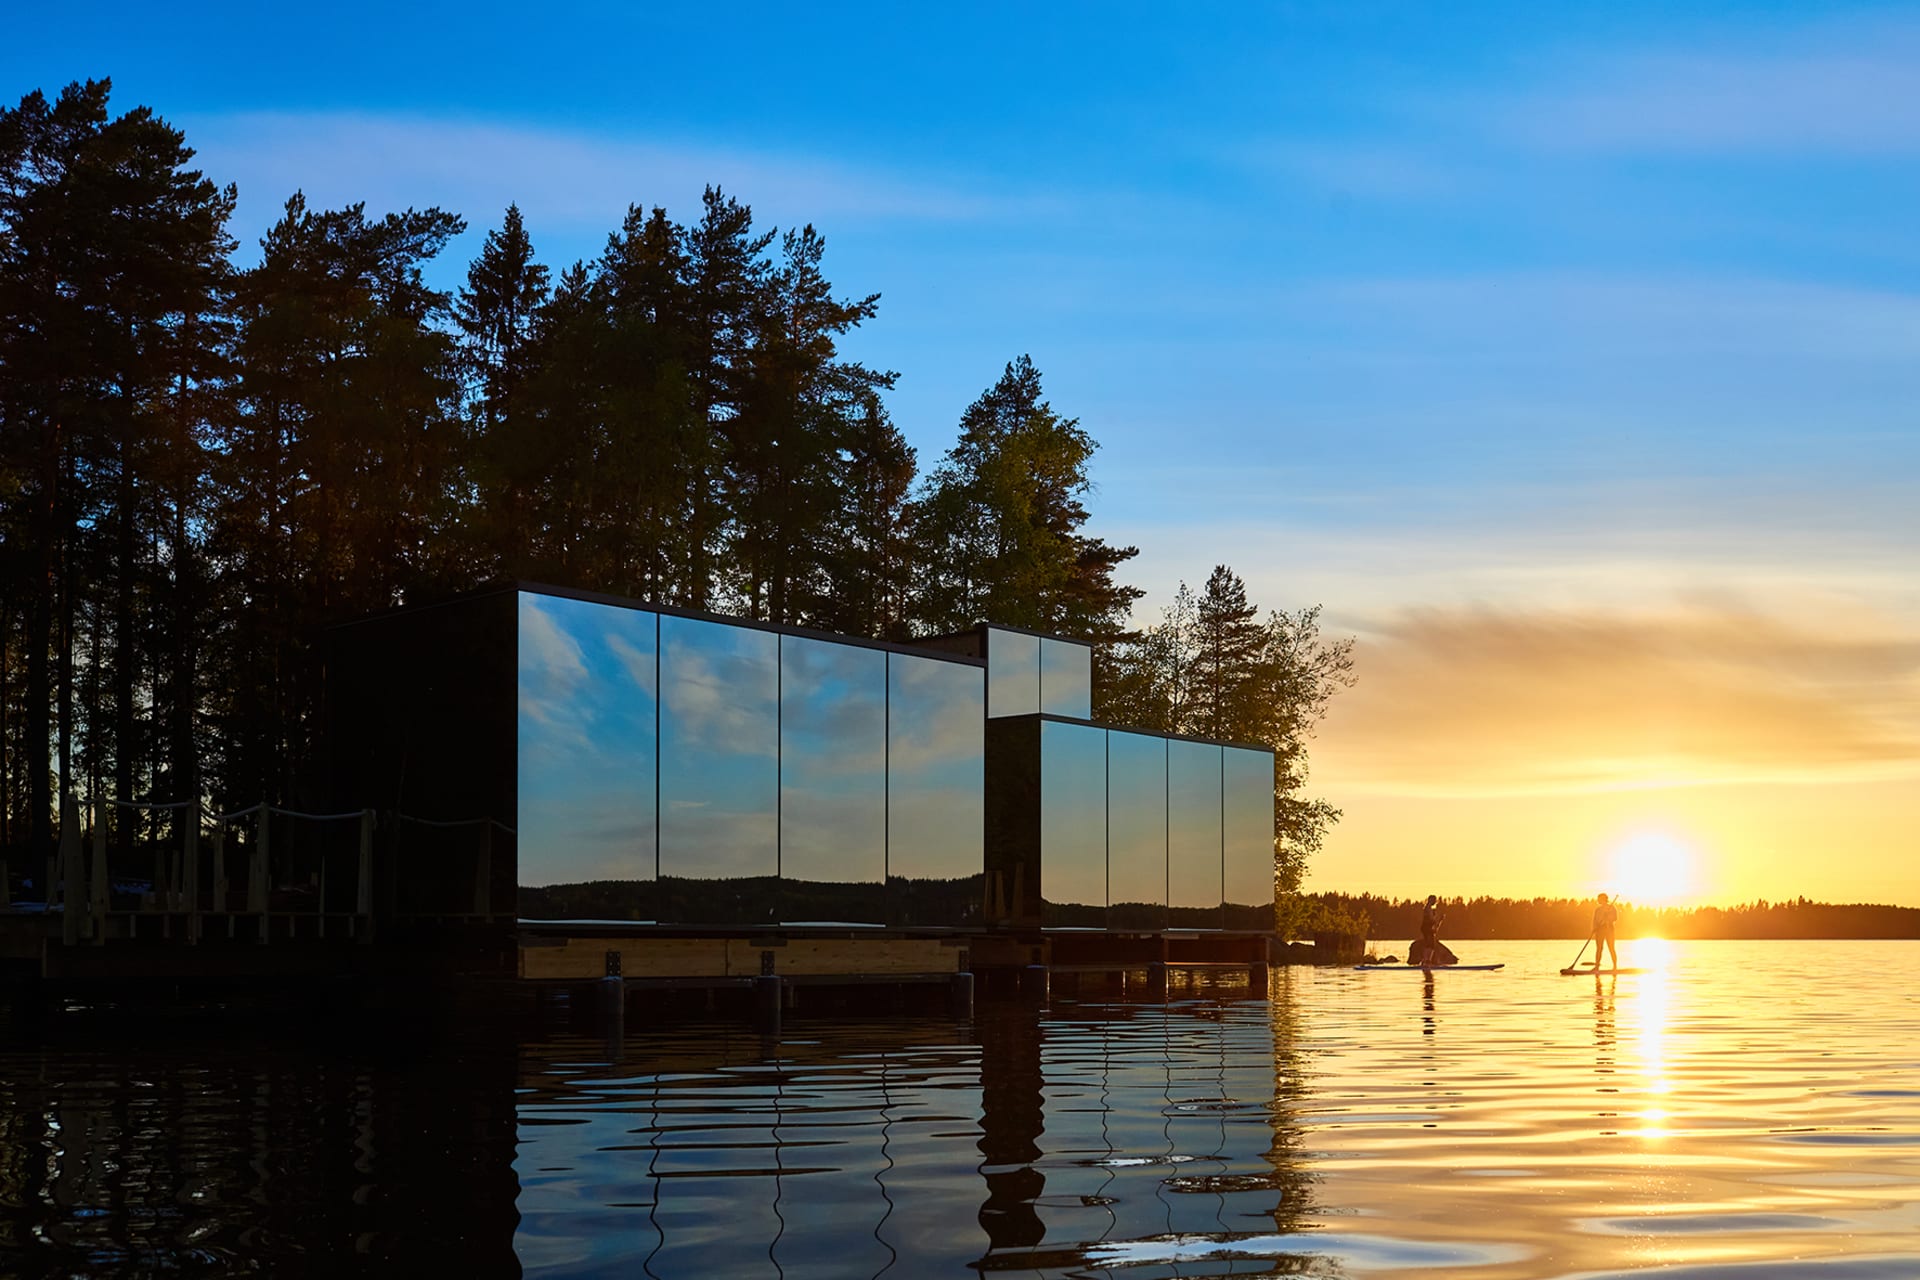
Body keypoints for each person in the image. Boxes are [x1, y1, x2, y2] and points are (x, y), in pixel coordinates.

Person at [1592, 892, 1619, 971]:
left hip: (1609, 929)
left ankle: (1614, 966)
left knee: (1611, 948)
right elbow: (1594, 920)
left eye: (1599, 899)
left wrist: (1607, 916)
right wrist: (1594, 928)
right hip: (1599, 930)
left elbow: (1615, 918)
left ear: (1603, 899)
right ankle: (1597, 966)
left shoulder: (1612, 908)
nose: (1598, 900)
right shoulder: (1598, 909)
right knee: (1599, 948)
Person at [1418, 894, 1443, 970]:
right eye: (1434, 900)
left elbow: (1432, 920)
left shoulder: (1427, 908)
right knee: (1430, 945)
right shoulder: (1428, 908)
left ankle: (1426, 961)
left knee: (1429, 945)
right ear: (1430, 900)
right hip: (1427, 928)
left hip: (1426, 928)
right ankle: (1426, 961)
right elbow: (1432, 920)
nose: (1435, 902)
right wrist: (1438, 919)